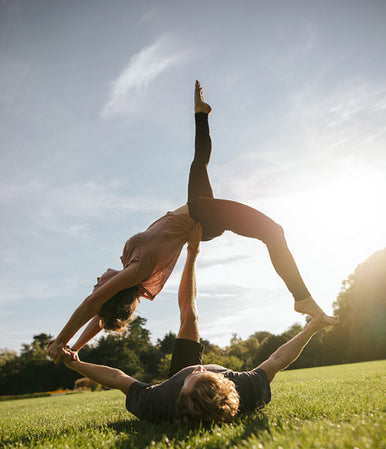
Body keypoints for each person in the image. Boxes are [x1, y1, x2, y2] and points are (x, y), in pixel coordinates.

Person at [48, 81, 336, 363]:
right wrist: (61, 340)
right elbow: (94, 304)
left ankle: (202, 113)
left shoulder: (129, 264)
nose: (96, 282)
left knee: (199, 164)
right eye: (98, 287)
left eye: (96, 285)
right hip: (200, 216)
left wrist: (75, 345)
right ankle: (302, 298)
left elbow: (100, 316)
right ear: (110, 292)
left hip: (197, 215)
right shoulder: (136, 272)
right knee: (274, 231)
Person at [59, 226, 338, 426]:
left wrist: (75, 364)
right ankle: (194, 251)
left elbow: (118, 379)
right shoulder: (246, 388)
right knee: (191, 315)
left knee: (187, 318)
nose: (201, 366)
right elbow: (278, 359)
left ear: (182, 392)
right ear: (225, 384)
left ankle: (191, 250)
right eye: (208, 373)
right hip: (214, 388)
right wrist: (313, 327)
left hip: (174, 381)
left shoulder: (156, 402)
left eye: (196, 374)